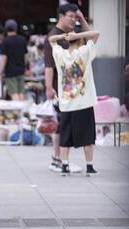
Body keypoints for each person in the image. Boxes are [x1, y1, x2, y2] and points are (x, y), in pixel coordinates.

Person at [44, 3, 89, 172]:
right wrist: (49, 87)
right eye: (71, 17)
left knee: (63, 125)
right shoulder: (53, 36)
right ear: (61, 16)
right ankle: (57, 160)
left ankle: (60, 159)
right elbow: (49, 66)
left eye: (75, 17)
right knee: (62, 125)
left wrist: (82, 18)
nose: (73, 20)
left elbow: (90, 37)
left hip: (71, 89)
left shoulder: (70, 34)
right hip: (59, 89)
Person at [49, 30, 100, 176]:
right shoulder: (84, 52)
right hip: (84, 102)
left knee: (65, 136)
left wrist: (61, 37)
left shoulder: (60, 54)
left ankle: (65, 166)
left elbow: (51, 40)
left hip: (66, 104)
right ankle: (89, 166)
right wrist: (78, 35)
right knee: (88, 136)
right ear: (79, 41)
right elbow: (96, 34)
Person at [0, 19, 28, 100]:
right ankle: (23, 111)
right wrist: (24, 67)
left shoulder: (4, 41)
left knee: (14, 93)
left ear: (6, 29)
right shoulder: (22, 40)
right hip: (21, 70)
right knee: (21, 92)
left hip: (10, 71)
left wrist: (0, 72)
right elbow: (25, 56)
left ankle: (18, 112)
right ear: (16, 28)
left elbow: (4, 58)